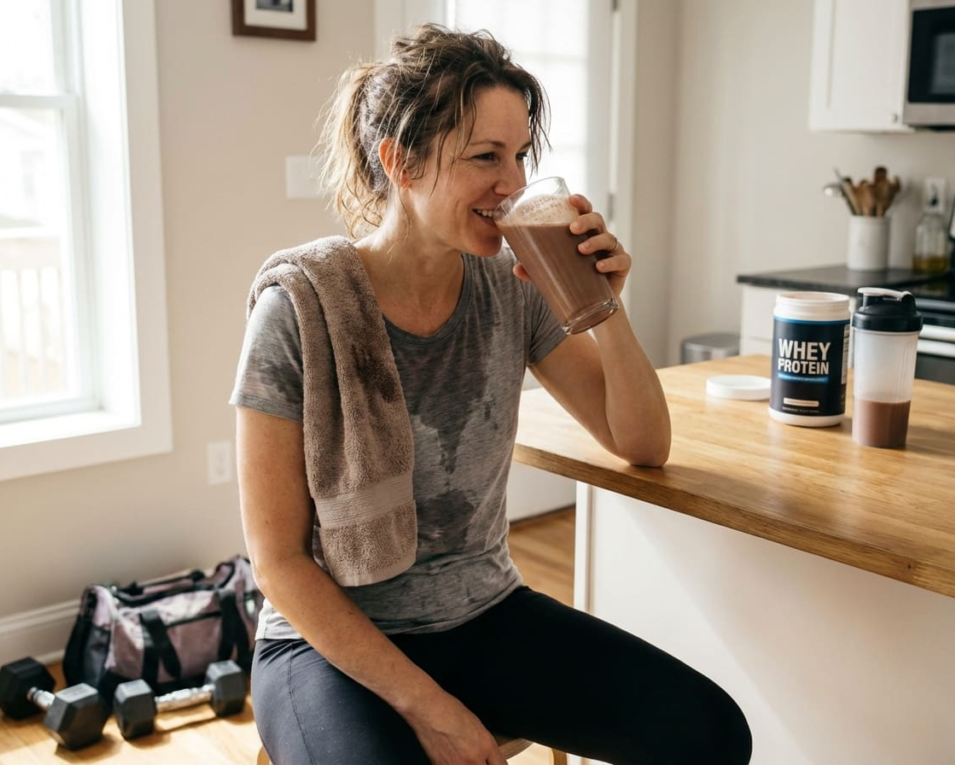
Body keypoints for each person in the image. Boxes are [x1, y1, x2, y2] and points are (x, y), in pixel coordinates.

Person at [231, 23, 752, 765]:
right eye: (485, 157)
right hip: (332, 647)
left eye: (518, 156)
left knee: (710, 730)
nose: (511, 183)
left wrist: (606, 307)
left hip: (484, 614)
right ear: (399, 161)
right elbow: (278, 562)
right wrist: (431, 707)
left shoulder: (514, 287)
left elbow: (641, 443)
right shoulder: (299, 311)